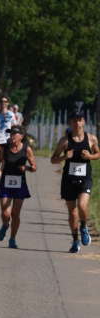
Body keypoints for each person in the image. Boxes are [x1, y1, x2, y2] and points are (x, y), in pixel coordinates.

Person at [49, 108, 98, 253]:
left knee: (82, 205)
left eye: (80, 119)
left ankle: (84, 226)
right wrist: (65, 157)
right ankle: (75, 240)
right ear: (70, 122)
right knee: (72, 212)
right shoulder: (64, 141)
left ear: (84, 122)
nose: (77, 122)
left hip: (85, 178)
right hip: (68, 180)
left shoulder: (91, 138)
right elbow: (53, 159)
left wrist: (90, 156)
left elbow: (98, 153)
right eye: (74, 120)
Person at [0, 125, 36, 248]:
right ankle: (5, 225)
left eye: (14, 133)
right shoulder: (5, 148)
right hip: (5, 182)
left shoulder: (26, 149)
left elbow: (34, 167)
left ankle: (12, 239)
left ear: (21, 136)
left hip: (20, 183)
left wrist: (27, 168)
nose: (12, 136)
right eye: (10, 133)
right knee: (5, 212)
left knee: (15, 214)